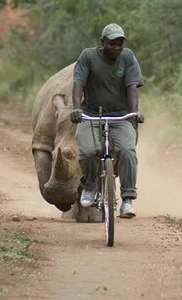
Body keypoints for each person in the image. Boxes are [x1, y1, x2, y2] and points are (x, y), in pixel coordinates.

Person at [70, 23, 144, 218]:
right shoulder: (88, 56)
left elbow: (132, 88)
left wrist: (134, 113)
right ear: (103, 42)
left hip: (120, 116)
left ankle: (127, 198)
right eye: (112, 43)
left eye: (119, 43)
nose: (116, 48)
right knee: (86, 151)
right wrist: (76, 108)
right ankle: (89, 186)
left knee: (128, 151)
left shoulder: (127, 57)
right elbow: (78, 84)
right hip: (92, 115)